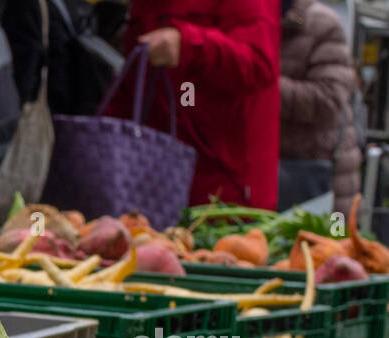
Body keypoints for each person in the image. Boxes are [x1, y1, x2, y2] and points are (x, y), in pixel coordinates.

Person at [109, 0, 280, 209]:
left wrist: (188, 45)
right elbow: (135, 77)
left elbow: (258, 64)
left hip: (221, 183)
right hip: (152, 176)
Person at [279, 0, 362, 217]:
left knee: (332, 243)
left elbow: (330, 99)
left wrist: (266, 87)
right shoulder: (262, 23)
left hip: (324, 177)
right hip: (287, 173)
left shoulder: (322, 24)